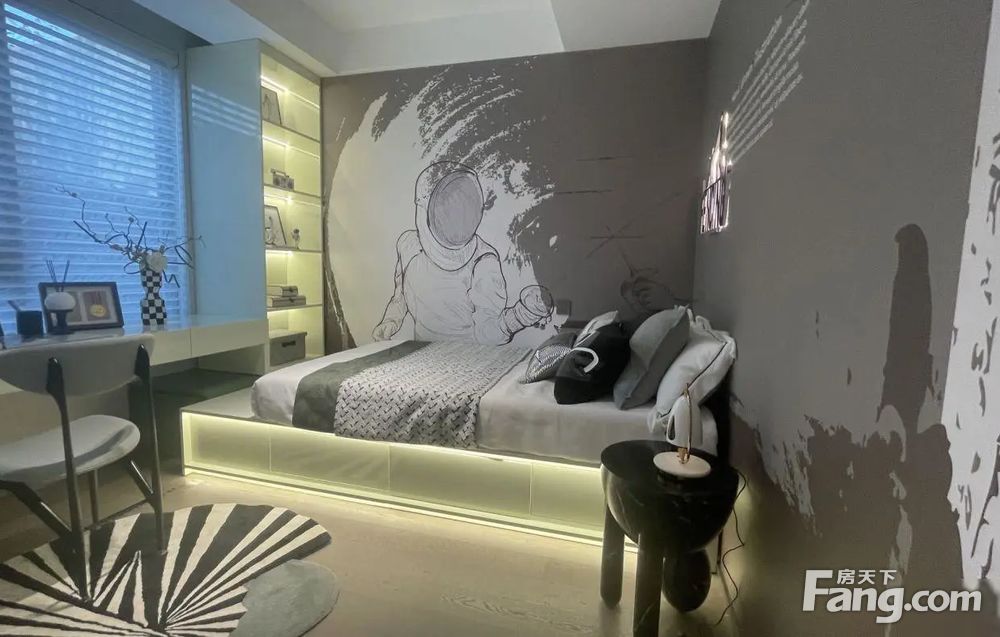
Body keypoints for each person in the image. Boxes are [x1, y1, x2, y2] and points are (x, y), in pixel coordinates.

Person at [372, 161, 553, 344]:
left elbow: (488, 333)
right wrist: (390, 321)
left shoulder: (483, 261)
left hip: (467, 356)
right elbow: (400, 296)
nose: (456, 217)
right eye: (447, 206)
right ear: (424, 207)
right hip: (423, 354)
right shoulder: (408, 244)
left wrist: (520, 316)